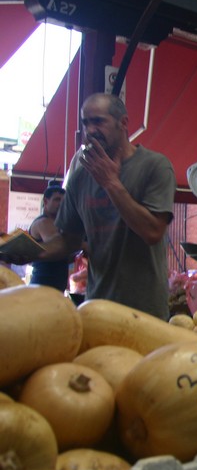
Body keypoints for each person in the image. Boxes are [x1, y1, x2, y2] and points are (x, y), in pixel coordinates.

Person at [37, 93, 176, 320]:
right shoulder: (81, 176)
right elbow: (68, 240)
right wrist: (27, 252)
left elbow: (152, 231)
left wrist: (111, 182)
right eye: (85, 123)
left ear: (123, 123)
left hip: (144, 310)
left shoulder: (155, 166)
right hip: (96, 306)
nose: (90, 130)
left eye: (99, 121)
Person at [27, 184, 71, 292]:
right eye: (57, 199)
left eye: (64, 200)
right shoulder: (43, 222)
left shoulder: (59, 224)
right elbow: (59, 245)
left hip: (55, 285)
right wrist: (83, 245)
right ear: (46, 202)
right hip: (43, 285)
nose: (61, 203)